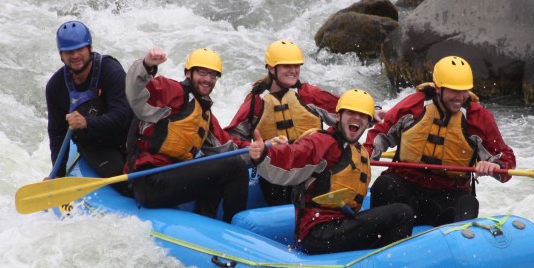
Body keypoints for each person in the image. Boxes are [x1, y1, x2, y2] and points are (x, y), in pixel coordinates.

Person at [248, 89, 414, 254]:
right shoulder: (323, 142)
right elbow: (294, 155)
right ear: (338, 116)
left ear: (368, 123)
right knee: (402, 213)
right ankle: (391, 267)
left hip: (340, 225)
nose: (357, 118)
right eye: (350, 112)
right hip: (318, 232)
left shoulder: (358, 150)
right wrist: (263, 154)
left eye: (362, 115)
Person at [364, 55, 516, 226]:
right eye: (454, 91)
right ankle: (378, 242)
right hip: (407, 188)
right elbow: (379, 136)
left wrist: (496, 166)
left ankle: (454, 247)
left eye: (464, 90)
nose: (460, 97)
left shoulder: (478, 118)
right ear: (438, 88)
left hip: (449, 195)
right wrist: (365, 157)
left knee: (468, 203)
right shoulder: (414, 106)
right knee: (384, 185)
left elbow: (506, 160)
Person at [124, 46, 248, 222]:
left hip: (172, 175)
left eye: (213, 75)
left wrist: (260, 150)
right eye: (203, 73)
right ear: (188, 73)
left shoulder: (204, 113)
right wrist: (147, 64)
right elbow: (136, 92)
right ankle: (234, 230)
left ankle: (207, 222)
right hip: (150, 181)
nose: (208, 80)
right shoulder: (172, 91)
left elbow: (227, 148)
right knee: (234, 167)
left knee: (221, 165)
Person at [226, 39, 339, 206]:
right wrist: (257, 148)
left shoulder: (308, 94)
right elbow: (230, 139)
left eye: (297, 66)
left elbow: (346, 111)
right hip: (275, 170)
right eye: (287, 66)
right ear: (272, 68)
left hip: (310, 166)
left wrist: (372, 112)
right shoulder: (256, 102)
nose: (293, 71)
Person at [44, 20, 133, 193]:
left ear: (90, 49)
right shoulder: (55, 87)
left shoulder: (111, 71)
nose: (75, 55)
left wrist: (87, 122)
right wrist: (58, 176)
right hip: (96, 145)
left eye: (80, 49)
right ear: (60, 55)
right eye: (69, 51)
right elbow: (57, 134)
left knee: (149, 179)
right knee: (125, 184)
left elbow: (122, 116)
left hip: (127, 136)